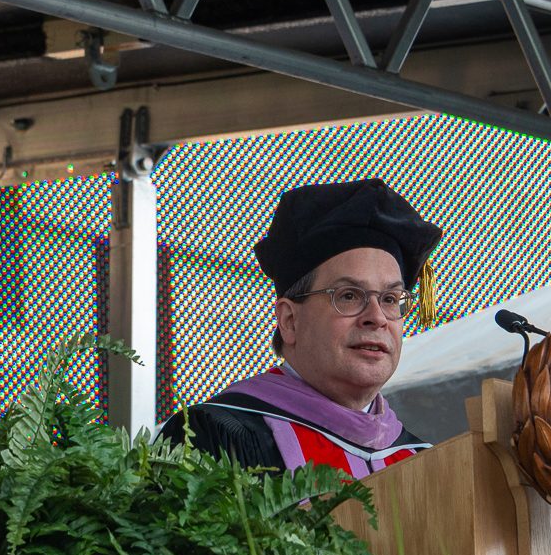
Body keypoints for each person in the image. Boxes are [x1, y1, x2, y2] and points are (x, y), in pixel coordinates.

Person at [159, 178, 439, 476]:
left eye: (390, 299)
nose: (377, 317)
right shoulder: (211, 437)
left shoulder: (425, 460)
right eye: (348, 296)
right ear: (289, 321)